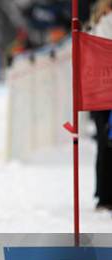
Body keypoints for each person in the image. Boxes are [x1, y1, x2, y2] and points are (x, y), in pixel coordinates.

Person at [90, 0, 112, 210]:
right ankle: (105, 195)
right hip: (105, 92)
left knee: (105, 144)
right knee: (107, 143)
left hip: (99, 92)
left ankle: (104, 194)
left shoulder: (99, 24)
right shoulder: (105, 24)